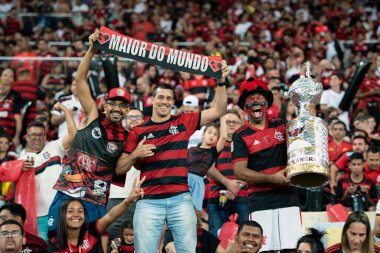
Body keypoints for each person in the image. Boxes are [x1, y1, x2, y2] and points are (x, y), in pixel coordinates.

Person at [116, 60, 230, 252]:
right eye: (160, 97)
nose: (165, 102)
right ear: (152, 99)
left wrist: (220, 81)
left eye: (169, 98)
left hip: (181, 199)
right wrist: (136, 153)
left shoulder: (184, 121)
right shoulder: (138, 131)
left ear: (173, 102)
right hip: (149, 201)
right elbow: (120, 168)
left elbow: (219, 110)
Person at [47, 31, 131, 235]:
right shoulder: (93, 115)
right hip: (68, 191)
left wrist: (136, 154)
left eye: (123, 105)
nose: (117, 108)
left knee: (93, 245)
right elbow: (81, 79)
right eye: (113, 104)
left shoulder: (127, 138)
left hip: (96, 200)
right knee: (55, 241)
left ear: (127, 110)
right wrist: (92, 50)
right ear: (105, 104)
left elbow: (120, 170)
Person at [232, 77, 301, 252]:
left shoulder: (281, 125)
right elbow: (240, 172)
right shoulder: (240, 135)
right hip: (261, 200)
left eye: (259, 99)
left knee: (292, 249)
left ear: (267, 103)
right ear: (244, 106)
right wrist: (273, 179)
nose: (255, 103)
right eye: (250, 100)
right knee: (263, 250)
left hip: (288, 196)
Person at [19, 101, 76, 240]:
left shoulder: (54, 146)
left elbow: (73, 134)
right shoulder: (22, 160)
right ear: (27, 137)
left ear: (45, 136)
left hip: (60, 211)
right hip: (38, 216)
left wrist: (65, 110)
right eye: (33, 135)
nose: (37, 138)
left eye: (40, 135)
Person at [48, 177, 144, 253]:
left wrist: (127, 202)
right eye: (70, 211)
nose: (76, 214)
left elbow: (110, 216)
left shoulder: (92, 230)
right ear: (62, 215)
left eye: (80, 211)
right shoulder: (55, 243)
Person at [207, 109, 249, 237]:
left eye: (234, 122)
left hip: (242, 198)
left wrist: (236, 187)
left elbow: (253, 169)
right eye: (227, 122)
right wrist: (228, 184)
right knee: (217, 239)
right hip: (217, 198)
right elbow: (208, 167)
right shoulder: (213, 142)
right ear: (221, 125)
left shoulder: (247, 144)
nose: (231, 124)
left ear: (240, 124)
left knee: (243, 239)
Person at [106, 108, 144, 240]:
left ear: (144, 121)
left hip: (139, 197)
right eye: (130, 117)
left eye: (137, 117)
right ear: (124, 121)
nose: (134, 120)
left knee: (137, 239)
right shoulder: (115, 140)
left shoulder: (150, 140)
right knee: (113, 237)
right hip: (116, 194)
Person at [187, 121, 226, 212]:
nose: (212, 135)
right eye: (209, 132)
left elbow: (224, 137)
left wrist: (222, 114)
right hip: (184, 181)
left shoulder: (213, 152)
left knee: (194, 212)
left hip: (198, 184)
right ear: (203, 135)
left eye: (215, 134)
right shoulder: (191, 149)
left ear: (217, 139)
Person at [0, 68, 22, 148]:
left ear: (13, 79)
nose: (7, 78)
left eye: (10, 76)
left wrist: (17, 136)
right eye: (5, 75)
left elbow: (18, 118)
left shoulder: (15, 95)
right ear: (1, 77)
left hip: (8, 136)